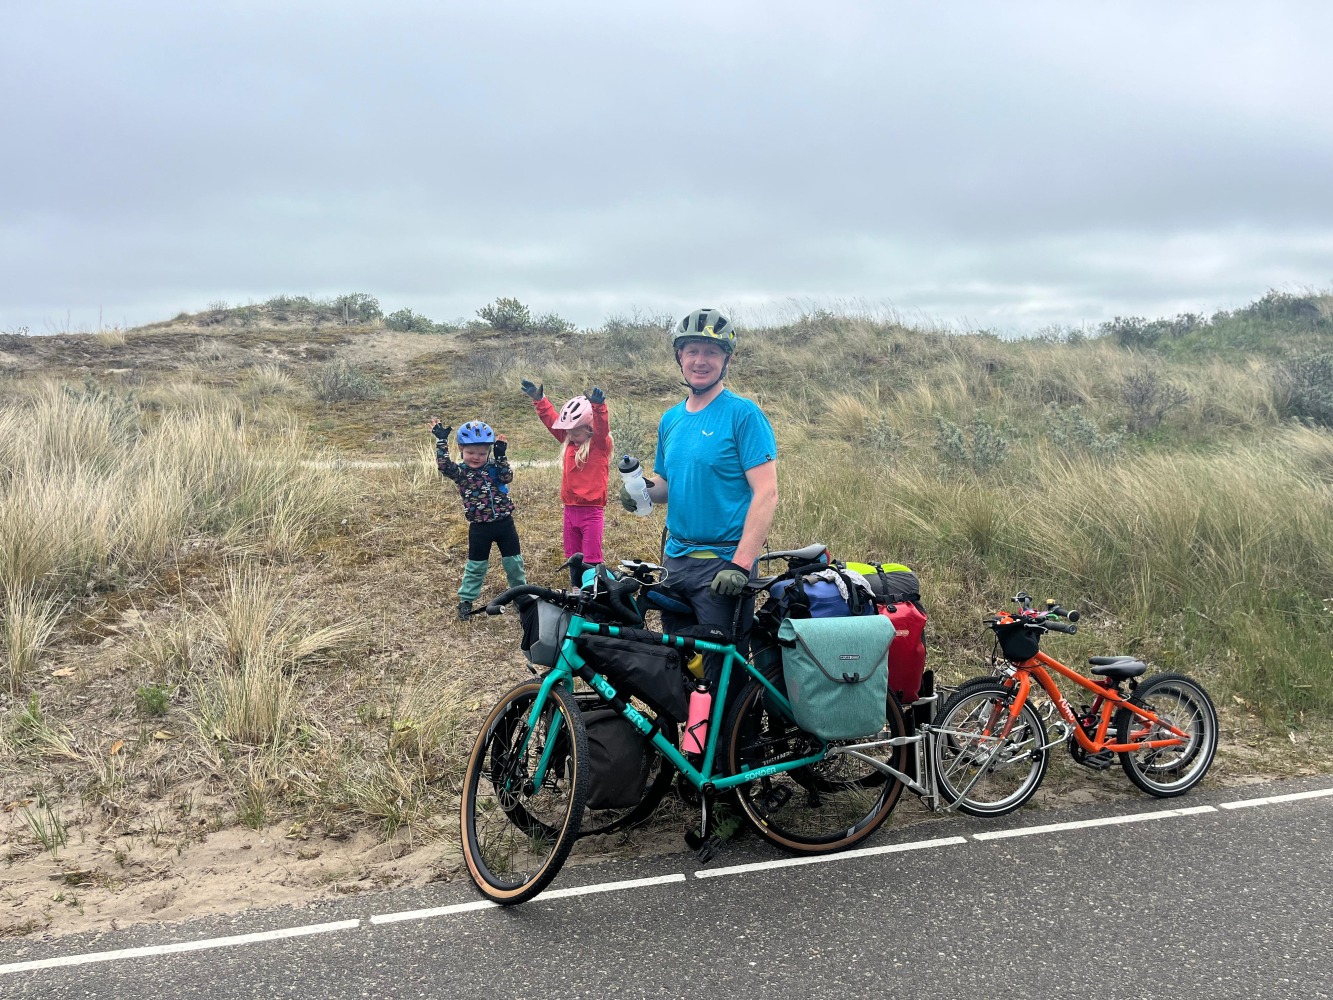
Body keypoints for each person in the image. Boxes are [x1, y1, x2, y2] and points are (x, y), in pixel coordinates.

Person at [431, 418, 527, 619]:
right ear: (461, 449)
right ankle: (466, 601)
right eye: (471, 453)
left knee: (514, 563)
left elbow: (507, 477)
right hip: (479, 528)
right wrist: (441, 441)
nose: (476, 457)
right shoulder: (461, 472)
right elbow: (444, 466)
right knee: (476, 565)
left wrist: (501, 457)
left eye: (482, 453)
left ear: (489, 452)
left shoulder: (493, 467)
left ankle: (521, 595)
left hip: (505, 525)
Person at [521, 381, 613, 587]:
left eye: (576, 432)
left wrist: (599, 407)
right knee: (573, 556)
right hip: (570, 510)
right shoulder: (570, 441)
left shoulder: (599, 445)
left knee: (591, 558)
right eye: (568, 431)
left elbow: (602, 428)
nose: (570, 436)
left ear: (589, 429)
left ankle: (593, 592)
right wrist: (539, 400)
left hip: (592, 511)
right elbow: (552, 421)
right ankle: (575, 589)